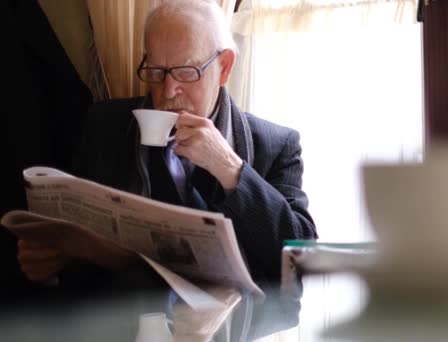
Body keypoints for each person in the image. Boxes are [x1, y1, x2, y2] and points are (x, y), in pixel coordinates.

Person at [14, 0, 316, 339]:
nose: (168, 92)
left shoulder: (275, 145)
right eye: (156, 72)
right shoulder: (105, 126)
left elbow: (300, 261)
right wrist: (55, 260)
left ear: (225, 67)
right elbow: (82, 252)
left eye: (187, 72)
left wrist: (230, 168)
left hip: (223, 329)